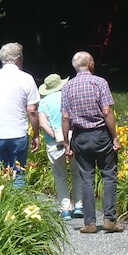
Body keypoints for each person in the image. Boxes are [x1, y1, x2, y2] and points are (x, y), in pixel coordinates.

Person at [60, 51, 123, 233]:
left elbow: (65, 117)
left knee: (86, 178)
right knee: (109, 175)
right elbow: (107, 112)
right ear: (90, 64)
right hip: (101, 134)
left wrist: (66, 143)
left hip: (80, 136)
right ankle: (110, 219)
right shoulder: (100, 82)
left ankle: (89, 223)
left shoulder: (67, 87)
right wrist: (115, 137)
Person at [0, 42, 40, 189]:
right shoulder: (26, 78)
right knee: (17, 174)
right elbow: (32, 110)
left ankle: (0, 208)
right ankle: (18, 208)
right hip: (17, 132)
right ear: (19, 59)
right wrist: (36, 134)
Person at [38, 73, 83, 220]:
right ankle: (79, 205)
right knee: (77, 172)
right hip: (72, 138)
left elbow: (43, 124)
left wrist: (56, 136)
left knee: (60, 175)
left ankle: (65, 209)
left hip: (54, 142)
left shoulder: (43, 103)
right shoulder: (68, 97)